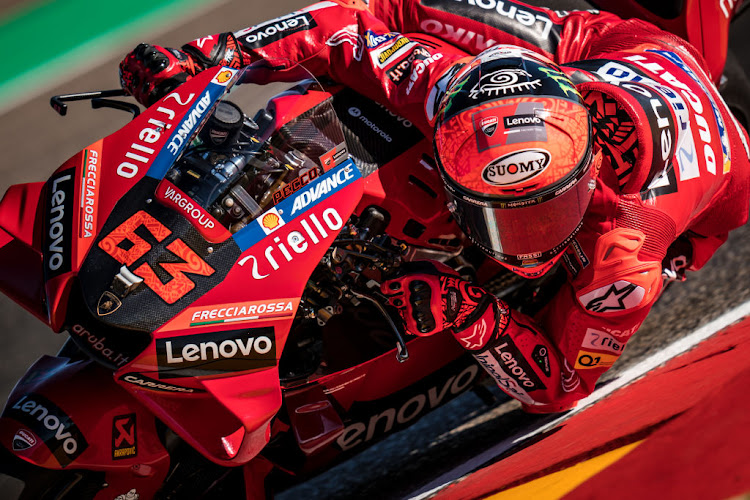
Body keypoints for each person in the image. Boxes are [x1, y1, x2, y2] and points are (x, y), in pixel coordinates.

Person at [119, 0, 750, 413]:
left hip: (715, 180)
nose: (514, 238)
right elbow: (342, 31)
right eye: (494, 214)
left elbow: (561, 388)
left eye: (536, 215)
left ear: (585, 181)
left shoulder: (627, 251)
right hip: (591, 48)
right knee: (402, 7)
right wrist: (207, 57)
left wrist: (471, 311)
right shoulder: (455, 89)